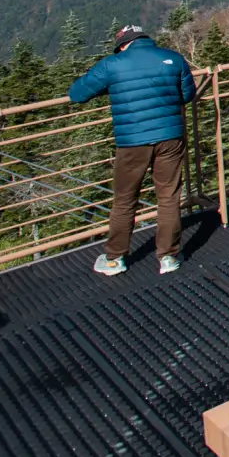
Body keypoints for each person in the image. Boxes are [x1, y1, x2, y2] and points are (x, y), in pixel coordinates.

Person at [69, 24, 198, 276]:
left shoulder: (112, 64)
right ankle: (169, 257)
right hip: (170, 136)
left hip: (132, 142)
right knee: (169, 197)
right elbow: (187, 94)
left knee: (125, 199)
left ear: (122, 45)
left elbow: (77, 94)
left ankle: (115, 258)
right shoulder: (173, 58)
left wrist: (113, 87)